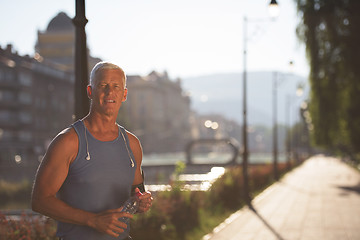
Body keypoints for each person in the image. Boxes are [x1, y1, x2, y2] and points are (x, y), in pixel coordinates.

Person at [32, 61, 153, 240]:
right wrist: (92, 220)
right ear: (90, 91)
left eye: (116, 86)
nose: (109, 92)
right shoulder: (68, 141)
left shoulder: (132, 144)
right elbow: (40, 201)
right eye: (103, 85)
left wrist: (141, 203)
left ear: (124, 94)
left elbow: (136, 194)